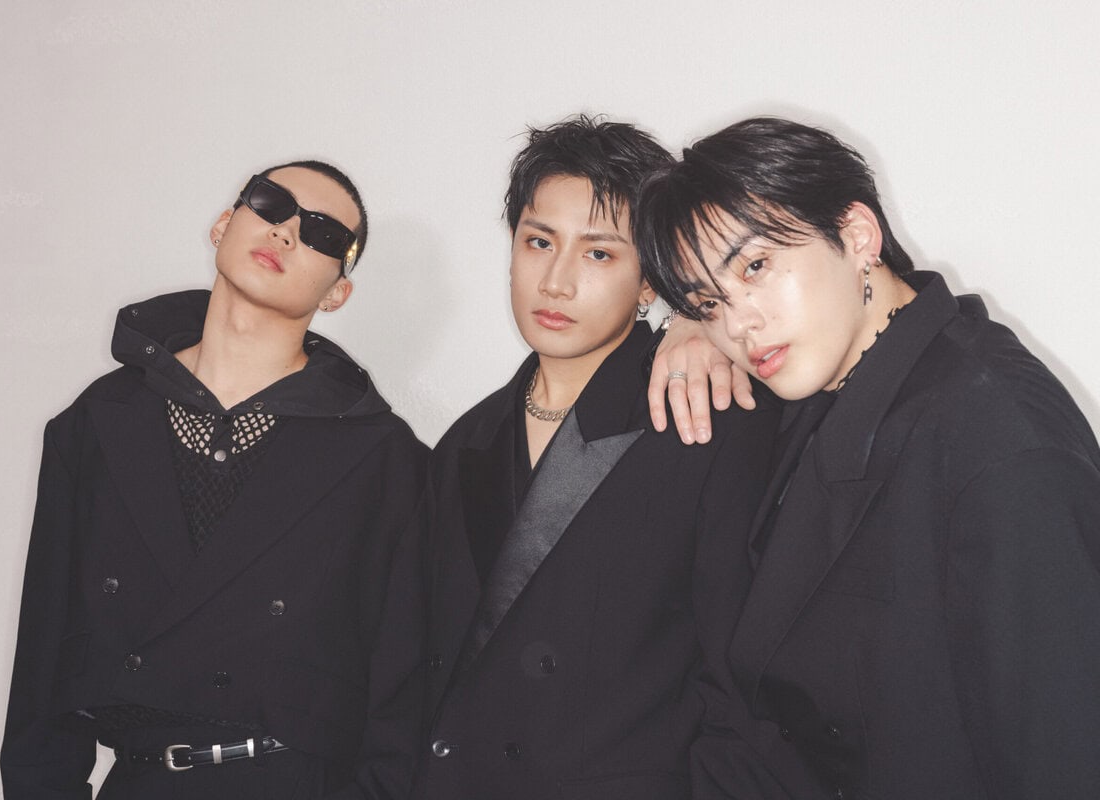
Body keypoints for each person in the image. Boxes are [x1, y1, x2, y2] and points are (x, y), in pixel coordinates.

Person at [635, 116, 1100, 799]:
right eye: (709, 303)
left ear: (857, 236)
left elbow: (1063, 757)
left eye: (756, 266)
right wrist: (684, 324)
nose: (738, 325)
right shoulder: (826, 385)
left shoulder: (999, 443)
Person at [1, 161, 428, 799]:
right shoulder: (99, 422)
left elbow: (406, 694)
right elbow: (42, 667)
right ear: (224, 224)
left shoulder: (384, 459)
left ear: (337, 292)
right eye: (271, 203)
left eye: (323, 234)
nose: (287, 231)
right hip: (141, 781)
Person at [413, 116, 798, 800]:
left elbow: (750, 685)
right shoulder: (465, 443)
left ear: (649, 283)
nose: (556, 283)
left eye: (598, 254)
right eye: (539, 242)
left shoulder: (708, 418)